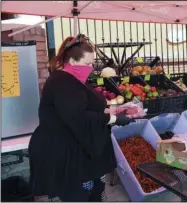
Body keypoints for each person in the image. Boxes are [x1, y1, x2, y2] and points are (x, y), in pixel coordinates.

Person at [28, 35, 134, 202]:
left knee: (95, 190)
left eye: (92, 63)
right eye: (87, 63)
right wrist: (112, 118)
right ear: (71, 60)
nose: (91, 68)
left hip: (78, 147)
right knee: (78, 195)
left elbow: (88, 105)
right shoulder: (61, 82)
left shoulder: (74, 79)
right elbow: (77, 116)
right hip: (63, 152)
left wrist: (114, 109)